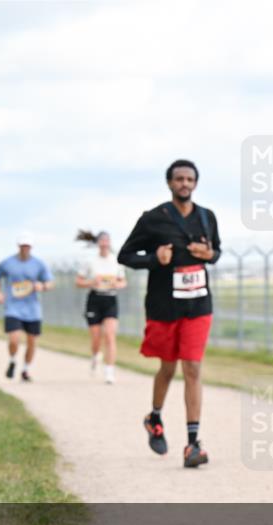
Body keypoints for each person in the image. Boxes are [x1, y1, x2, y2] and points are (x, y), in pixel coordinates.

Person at [118, 159, 221, 468]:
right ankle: (155, 417)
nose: (184, 183)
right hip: (164, 306)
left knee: (192, 366)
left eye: (190, 179)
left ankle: (192, 444)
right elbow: (125, 255)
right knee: (168, 367)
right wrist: (154, 258)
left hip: (198, 304)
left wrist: (210, 255)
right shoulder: (153, 219)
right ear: (169, 183)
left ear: (195, 183)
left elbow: (215, 251)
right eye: (179, 179)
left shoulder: (207, 217)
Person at [0, 233, 54, 382]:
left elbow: (50, 282)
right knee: (14, 339)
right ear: (18, 246)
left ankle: (25, 370)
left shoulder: (38, 264)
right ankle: (13, 360)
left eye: (27, 246)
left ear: (31, 247)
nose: (25, 248)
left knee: (32, 341)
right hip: (13, 307)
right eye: (22, 246)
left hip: (32, 309)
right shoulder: (7, 263)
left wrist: (43, 286)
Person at [75, 230, 127, 383]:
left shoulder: (116, 261)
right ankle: (95, 355)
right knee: (96, 337)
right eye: (102, 241)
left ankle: (109, 371)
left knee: (110, 335)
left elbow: (123, 282)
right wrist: (92, 282)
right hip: (94, 299)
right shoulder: (90, 261)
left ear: (109, 243)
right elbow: (78, 281)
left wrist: (116, 284)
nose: (104, 243)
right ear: (98, 243)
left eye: (107, 240)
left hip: (110, 299)